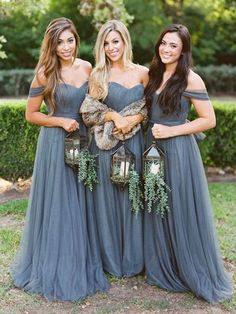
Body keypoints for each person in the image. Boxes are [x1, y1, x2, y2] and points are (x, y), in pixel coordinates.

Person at [10, 17, 108, 301]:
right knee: (60, 201)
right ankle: (55, 260)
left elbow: (94, 104)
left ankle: (79, 256)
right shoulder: (44, 73)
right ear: (51, 45)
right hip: (56, 143)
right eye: (60, 42)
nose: (66, 47)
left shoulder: (87, 67)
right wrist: (60, 122)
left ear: (77, 40)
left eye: (70, 40)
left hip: (83, 142)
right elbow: (31, 114)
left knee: (80, 199)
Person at [144, 24, 233, 303]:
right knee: (157, 205)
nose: (167, 49)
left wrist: (171, 131)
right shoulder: (153, 74)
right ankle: (163, 263)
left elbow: (209, 120)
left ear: (183, 51)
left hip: (179, 150)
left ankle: (188, 267)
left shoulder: (191, 79)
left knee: (179, 206)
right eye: (164, 43)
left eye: (174, 46)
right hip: (152, 149)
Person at [80, 20, 149, 277]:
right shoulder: (98, 75)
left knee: (132, 197)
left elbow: (150, 108)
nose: (111, 48)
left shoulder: (143, 72)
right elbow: (89, 112)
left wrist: (134, 119)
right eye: (106, 43)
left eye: (115, 41)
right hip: (106, 147)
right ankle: (109, 258)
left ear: (125, 41)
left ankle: (134, 259)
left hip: (134, 144)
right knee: (108, 199)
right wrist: (113, 117)